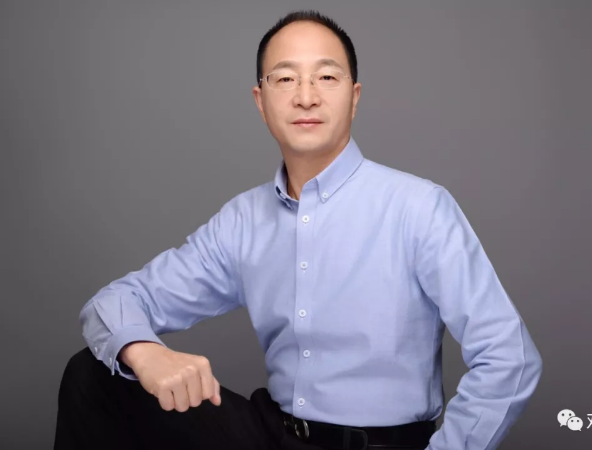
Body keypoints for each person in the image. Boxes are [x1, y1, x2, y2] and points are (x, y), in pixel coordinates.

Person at [55, 9, 542, 450]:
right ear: (260, 100)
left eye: (326, 77)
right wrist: (144, 352)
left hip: (381, 444)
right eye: (285, 78)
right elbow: (113, 303)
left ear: (354, 97)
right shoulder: (243, 220)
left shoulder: (418, 207)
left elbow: (508, 358)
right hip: (273, 434)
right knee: (94, 374)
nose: (306, 96)